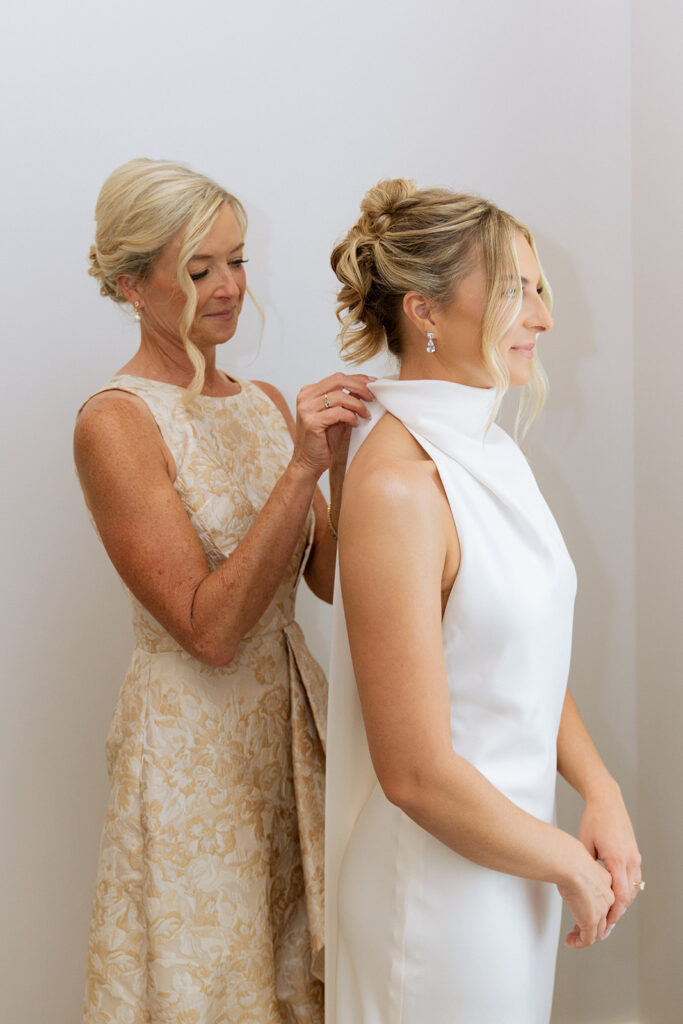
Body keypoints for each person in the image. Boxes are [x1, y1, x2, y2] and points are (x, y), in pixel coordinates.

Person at [324, 180, 642, 1024]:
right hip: (433, 903)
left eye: (539, 289)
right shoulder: (397, 486)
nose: (542, 317)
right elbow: (413, 774)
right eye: (514, 290)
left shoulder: (491, 453)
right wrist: (566, 865)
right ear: (424, 311)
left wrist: (598, 790)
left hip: (515, 875)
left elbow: (516, 658)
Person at [75, 157, 374, 1024]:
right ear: (133, 284)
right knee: (207, 979)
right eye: (199, 269)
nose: (229, 288)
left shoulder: (265, 403)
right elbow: (209, 630)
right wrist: (301, 470)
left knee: (291, 981)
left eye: (237, 261)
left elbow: (331, 581)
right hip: (189, 751)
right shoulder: (116, 421)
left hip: (287, 733)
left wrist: (339, 463)